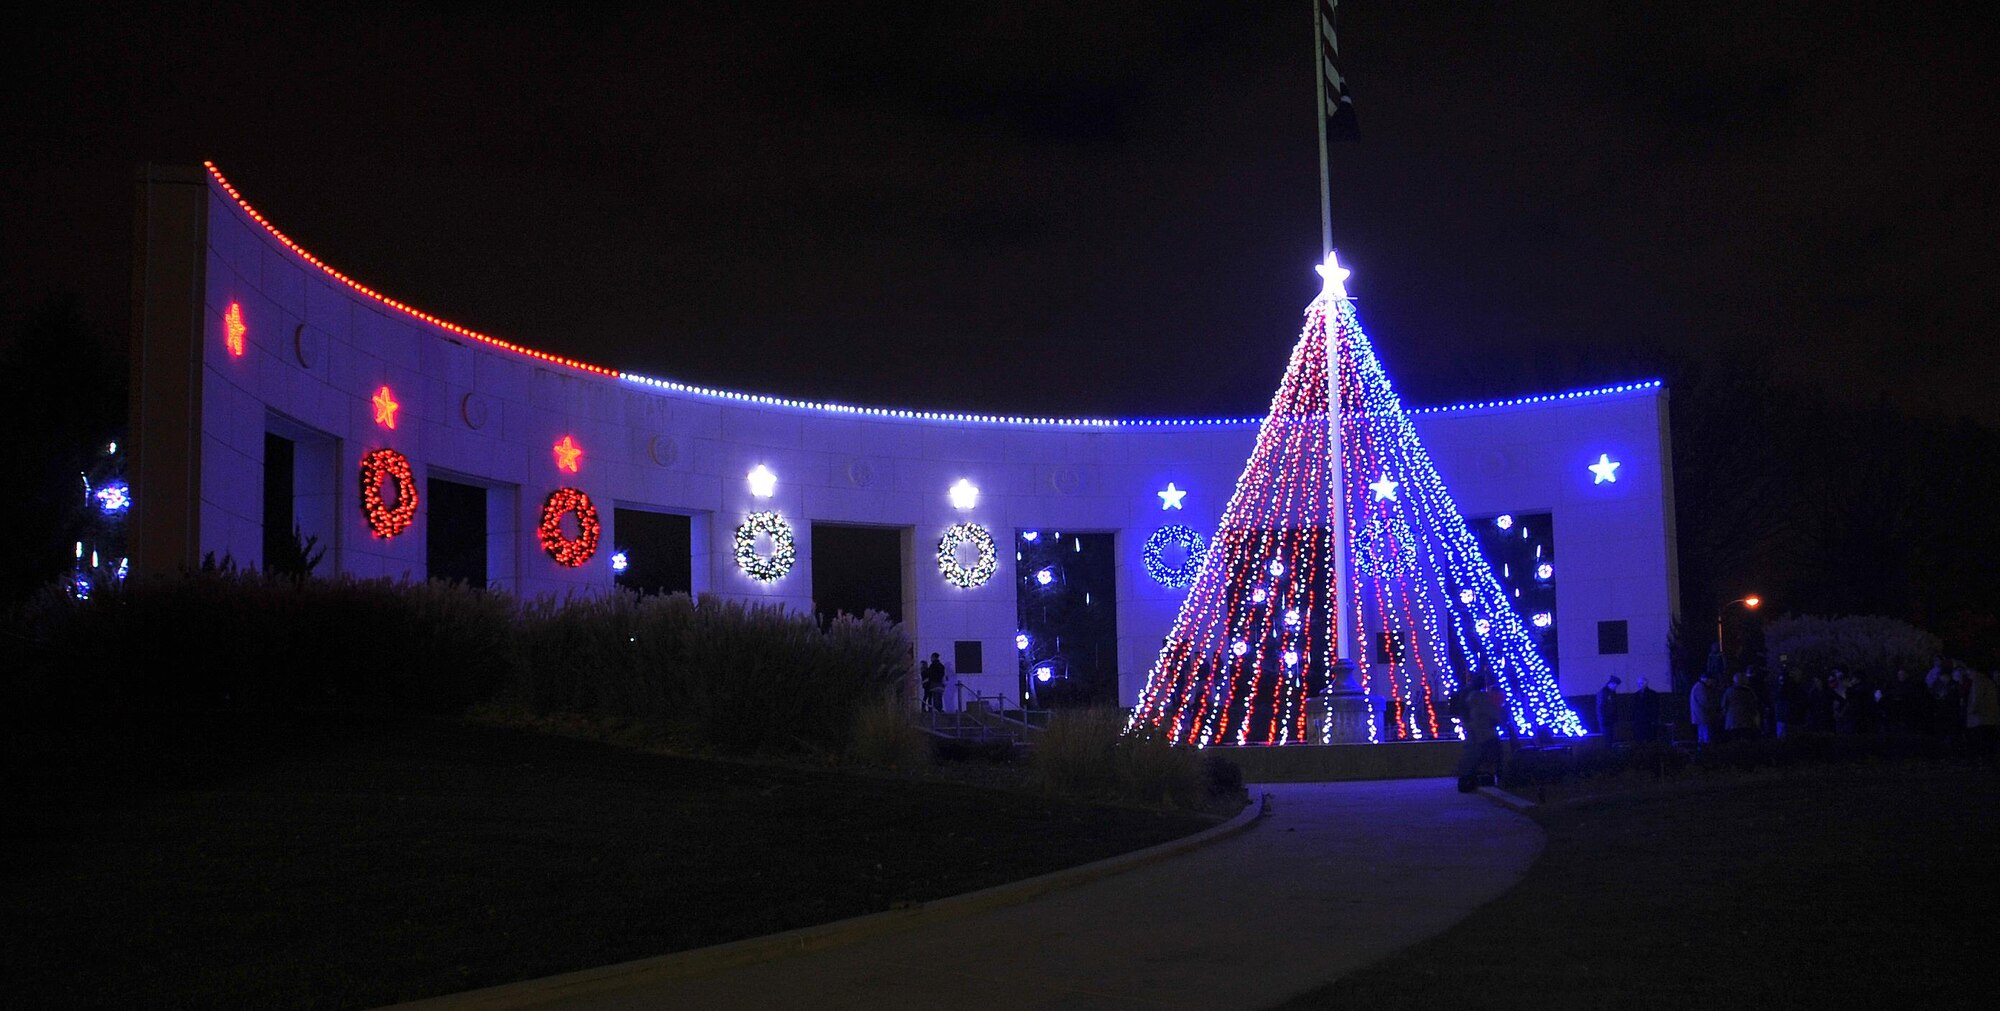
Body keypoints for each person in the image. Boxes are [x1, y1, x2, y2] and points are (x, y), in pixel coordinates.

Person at [1455, 673, 1509, 793]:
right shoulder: (1480, 698)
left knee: (1475, 757)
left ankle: (1468, 779)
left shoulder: (1469, 697)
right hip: (1486, 734)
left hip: (1475, 733)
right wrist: (1501, 717)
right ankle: (1501, 780)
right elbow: (1494, 714)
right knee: (1496, 756)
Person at [1722, 669, 1762, 742]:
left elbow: (1723, 704)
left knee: (1734, 740)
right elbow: (1754, 704)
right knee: (1746, 739)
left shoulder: (1729, 691)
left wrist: (1725, 714)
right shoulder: (1749, 692)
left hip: (1732, 720)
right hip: (1746, 720)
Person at [1690, 671, 1724, 745]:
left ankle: (1702, 753)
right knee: (1706, 738)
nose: (1713, 683)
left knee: (1702, 737)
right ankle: (1706, 753)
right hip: (1704, 717)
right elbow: (1706, 702)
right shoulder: (1700, 687)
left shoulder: (1698, 686)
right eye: (1712, 681)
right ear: (1708, 679)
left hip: (1701, 717)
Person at [1631, 677, 1661, 742]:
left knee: (1650, 739)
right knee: (1640, 739)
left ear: (1646, 683)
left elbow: (1655, 707)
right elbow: (1634, 708)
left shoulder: (1653, 694)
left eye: (1641, 683)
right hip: (1639, 721)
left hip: (1649, 721)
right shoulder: (1636, 695)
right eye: (1638, 683)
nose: (1639, 685)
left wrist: (1654, 719)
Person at [1596, 676, 1622, 740]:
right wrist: (1603, 719)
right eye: (1615, 685)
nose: (1616, 687)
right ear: (1611, 683)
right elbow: (1600, 707)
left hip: (1610, 720)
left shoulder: (1612, 693)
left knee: (1610, 737)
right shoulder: (1604, 693)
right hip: (1606, 720)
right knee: (1606, 738)